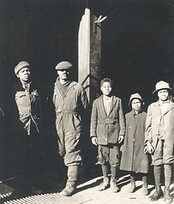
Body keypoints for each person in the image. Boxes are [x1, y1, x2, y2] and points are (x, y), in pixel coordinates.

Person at [53, 61, 88, 196]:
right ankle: (62, 180)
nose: (64, 73)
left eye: (67, 71)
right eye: (62, 71)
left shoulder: (77, 87)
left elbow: (85, 108)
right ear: (58, 72)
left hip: (73, 122)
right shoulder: (54, 87)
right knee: (61, 151)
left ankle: (71, 184)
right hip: (58, 122)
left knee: (72, 152)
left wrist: (79, 123)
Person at [13, 61, 42, 197]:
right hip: (20, 128)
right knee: (19, 158)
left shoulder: (36, 88)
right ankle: (19, 188)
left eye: (28, 70)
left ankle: (32, 185)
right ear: (18, 75)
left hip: (35, 127)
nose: (26, 73)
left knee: (33, 157)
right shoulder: (13, 88)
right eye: (23, 71)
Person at [90, 78, 125, 193]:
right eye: (105, 87)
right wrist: (93, 135)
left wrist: (122, 133)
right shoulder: (96, 102)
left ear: (112, 88)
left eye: (109, 87)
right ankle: (105, 179)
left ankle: (113, 181)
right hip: (101, 135)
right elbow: (93, 120)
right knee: (103, 158)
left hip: (114, 134)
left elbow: (121, 118)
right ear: (101, 88)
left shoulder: (117, 101)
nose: (107, 89)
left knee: (114, 159)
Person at [145, 80, 174, 203]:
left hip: (169, 139)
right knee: (156, 163)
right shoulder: (152, 107)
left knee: (168, 162)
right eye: (161, 92)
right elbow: (148, 126)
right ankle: (158, 190)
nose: (163, 94)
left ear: (168, 93)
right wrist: (148, 141)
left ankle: (167, 190)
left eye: (165, 91)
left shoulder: (173, 106)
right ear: (157, 94)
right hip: (155, 140)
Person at [120, 93, 149, 195]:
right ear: (131, 104)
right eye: (134, 102)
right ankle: (132, 183)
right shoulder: (127, 116)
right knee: (131, 164)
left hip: (141, 143)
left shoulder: (146, 115)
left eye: (138, 102)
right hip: (130, 143)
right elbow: (124, 129)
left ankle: (145, 185)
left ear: (142, 103)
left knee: (143, 164)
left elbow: (148, 130)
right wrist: (123, 144)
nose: (136, 104)